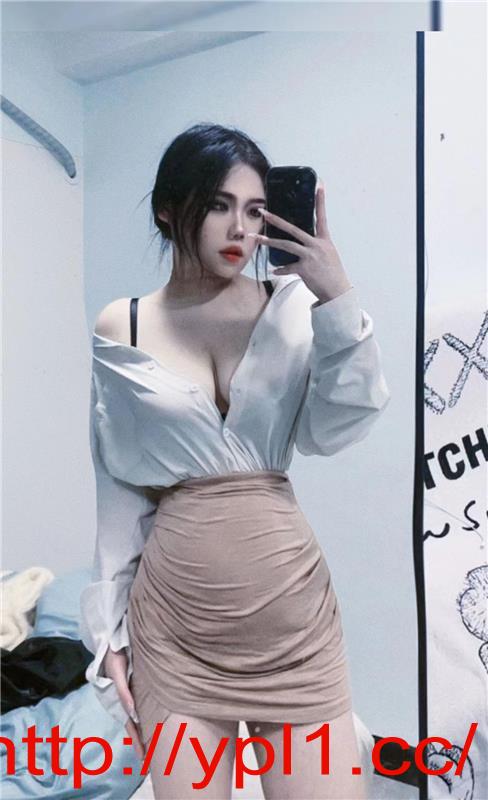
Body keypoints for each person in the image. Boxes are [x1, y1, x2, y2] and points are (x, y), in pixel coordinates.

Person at [80, 122, 390, 799]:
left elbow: (336, 428)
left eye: (255, 209)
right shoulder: (121, 324)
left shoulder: (293, 306)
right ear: (169, 208)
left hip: (294, 624)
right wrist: (108, 635)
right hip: (176, 633)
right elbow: (119, 487)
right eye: (219, 205)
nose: (240, 228)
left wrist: (337, 299)